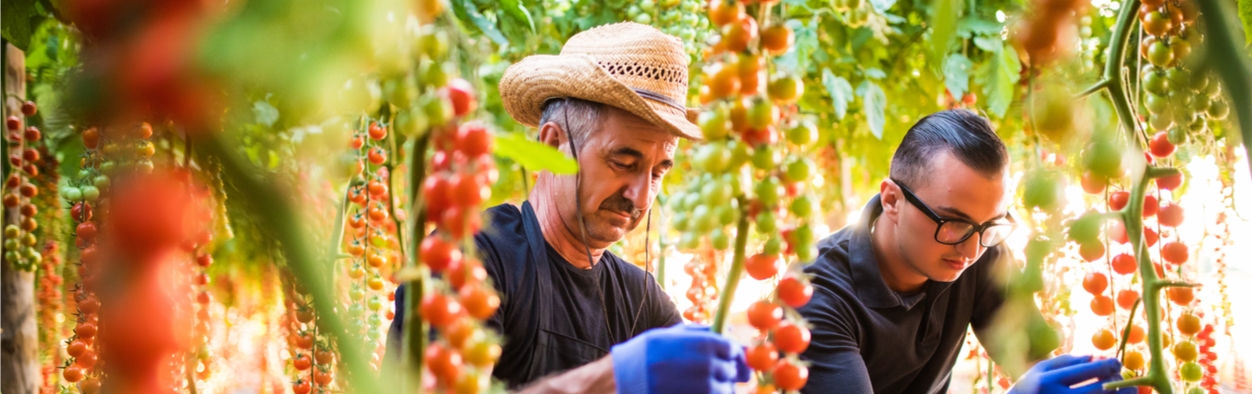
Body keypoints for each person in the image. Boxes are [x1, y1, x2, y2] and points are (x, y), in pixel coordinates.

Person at [385, 22, 749, 393]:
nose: (640, 197)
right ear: (553, 144)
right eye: (624, 163)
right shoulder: (472, 257)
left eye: (657, 173)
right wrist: (613, 377)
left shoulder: (643, 299)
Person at [795, 109, 1132, 394]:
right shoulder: (815, 297)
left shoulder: (982, 246)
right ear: (892, 200)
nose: (970, 250)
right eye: (953, 222)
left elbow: (1033, 362)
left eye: (990, 225)